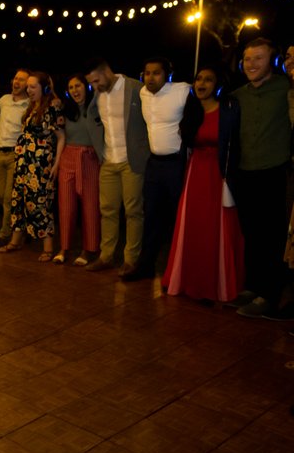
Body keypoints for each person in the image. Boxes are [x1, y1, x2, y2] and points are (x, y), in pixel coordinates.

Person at [163, 66, 243, 301]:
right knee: (192, 225)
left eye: (208, 79)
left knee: (215, 228)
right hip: (194, 174)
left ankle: (212, 285)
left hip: (218, 174)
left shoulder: (228, 110)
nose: (202, 84)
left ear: (217, 84)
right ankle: (187, 280)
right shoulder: (191, 112)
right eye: (199, 79)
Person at [124, 57, 203, 281]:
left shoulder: (183, 90)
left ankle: (179, 271)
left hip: (177, 164)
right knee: (152, 217)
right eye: (147, 73)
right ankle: (146, 266)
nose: (150, 78)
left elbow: (199, 116)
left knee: (178, 219)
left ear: (167, 74)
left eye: (156, 73)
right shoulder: (143, 94)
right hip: (154, 163)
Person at [230, 38, 292, 318]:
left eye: (259, 58)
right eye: (247, 59)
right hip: (245, 172)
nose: (252, 64)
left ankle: (270, 294)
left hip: (275, 171)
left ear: (273, 61)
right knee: (251, 233)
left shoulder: (286, 89)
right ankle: (253, 287)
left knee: (273, 236)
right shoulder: (237, 95)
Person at [84, 59, 150, 275]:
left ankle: (131, 260)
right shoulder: (98, 95)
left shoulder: (135, 89)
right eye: (91, 83)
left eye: (96, 80)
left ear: (106, 71)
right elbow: (91, 117)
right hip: (108, 160)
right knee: (108, 211)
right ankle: (106, 257)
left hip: (132, 160)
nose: (95, 86)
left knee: (133, 211)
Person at [0, 72, 66, 261]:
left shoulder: (52, 107)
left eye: (33, 87)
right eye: (28, 86)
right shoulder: (31, 106)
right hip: (24, 162)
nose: (29, 90)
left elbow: (61, 137)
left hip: (41, 164)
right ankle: (15, 240)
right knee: (18, 201)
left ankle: (48, 246)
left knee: (40, 204)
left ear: (43, 88)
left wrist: (57, 164)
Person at [55, 74, 104, 265]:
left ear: (86, 87)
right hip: (68, 157)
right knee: (65, 205)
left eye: (78, 86)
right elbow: (60, 137)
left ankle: (89, 249)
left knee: (90, 206)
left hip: (90, 158)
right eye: (71, 87)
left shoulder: (96, 108)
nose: (75, 90)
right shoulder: (65, 110)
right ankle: (64, 248)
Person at [0, 69, 30, 249]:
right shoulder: (4, 100)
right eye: (15, 79)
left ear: (27, 85)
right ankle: (21, 226)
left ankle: (4, 234)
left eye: (21, 80)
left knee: (8, 198)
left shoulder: (29, 104)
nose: (16, 82)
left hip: (15, 154)